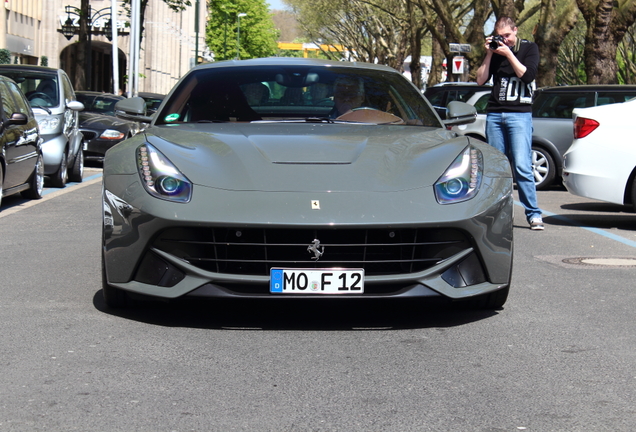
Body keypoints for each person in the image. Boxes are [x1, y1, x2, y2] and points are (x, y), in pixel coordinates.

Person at [476, 16, 544, 230]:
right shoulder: (495, 52)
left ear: (515, 31)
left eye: (508, 36)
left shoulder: (529, 48)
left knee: (522, 165)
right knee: (497, 168)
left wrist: (509, 54)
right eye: (500, 37)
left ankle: (533, 214)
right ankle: (497, 214)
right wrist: (489, 53)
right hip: (495, 114)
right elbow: (480, 79)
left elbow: (528, 75)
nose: (505, 40)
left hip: (519, 114)